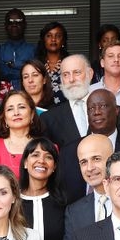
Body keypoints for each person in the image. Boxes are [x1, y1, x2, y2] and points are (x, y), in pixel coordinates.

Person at [41, 54, 95, 199]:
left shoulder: (108, 110)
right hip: (67, 197)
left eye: (77, 72)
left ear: (89, 74)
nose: (71, 79)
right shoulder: (49, 118)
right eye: (66, 74)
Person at [0, 91, 45, 175]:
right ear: (4, 118)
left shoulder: (47, 147)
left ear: (32, 114)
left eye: (21, 107)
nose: (16, 113)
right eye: (10, 109)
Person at [0, 8, 36, 84]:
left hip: (28, 94)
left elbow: (35, 74)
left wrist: (11, 65)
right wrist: (23, 66)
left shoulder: (34, 50)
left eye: (18, 21)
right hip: (4, 94)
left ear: (25, 25)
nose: (14, 25)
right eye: (10, 22)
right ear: (5, 26)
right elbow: (1, 73)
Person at [35, 21, 69, 104]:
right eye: (49, 36)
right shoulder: (36, 65)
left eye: (58, 36)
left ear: (63, 41)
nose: (53, 39)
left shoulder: (69, 64)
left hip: (65, 111)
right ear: (43, 40)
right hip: (41, 112)